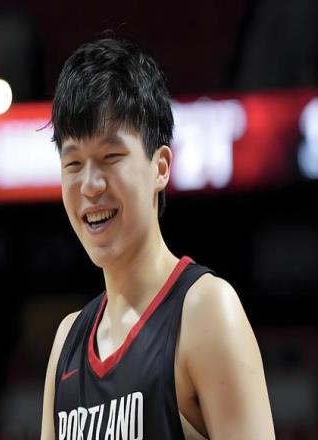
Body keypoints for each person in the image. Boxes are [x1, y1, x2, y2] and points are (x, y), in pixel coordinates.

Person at [41, 37, 275, 440]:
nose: (90, 184)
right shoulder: (67, 343)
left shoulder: (205, 312)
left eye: (111, 157)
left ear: (161, 167)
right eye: (74, 163)